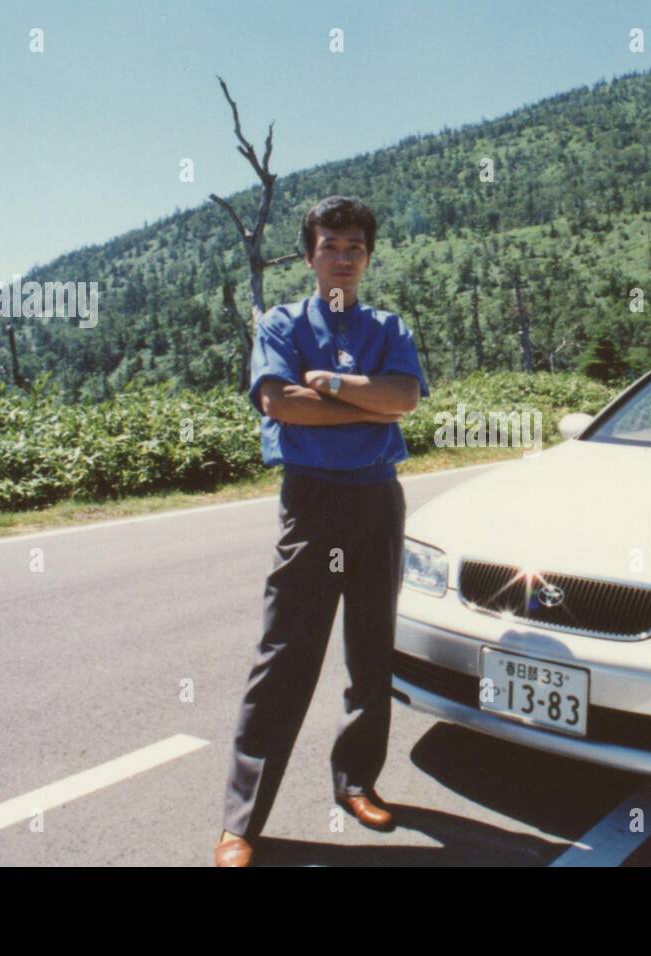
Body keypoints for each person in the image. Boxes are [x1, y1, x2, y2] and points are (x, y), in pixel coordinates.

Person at [215, 196, 430, 867]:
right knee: (284, 659)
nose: (343, 257)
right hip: (312, 505)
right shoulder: (279, 325)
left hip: (377, 501)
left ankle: (357, 783)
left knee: (371, 653)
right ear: (309, 255)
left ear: (367, 258)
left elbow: (405, 401)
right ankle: (242, 823)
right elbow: (282, 405)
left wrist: (333, 384)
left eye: (355, 247)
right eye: (330, 245)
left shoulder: (388, 326)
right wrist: (367, 405)